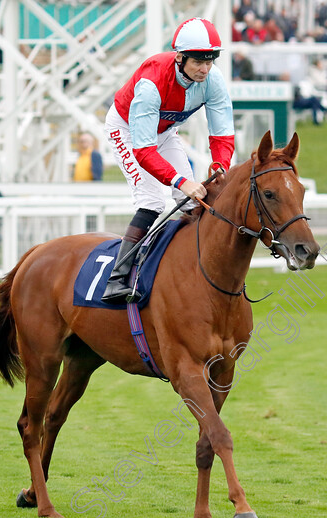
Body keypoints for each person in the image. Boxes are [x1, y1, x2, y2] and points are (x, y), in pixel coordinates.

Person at [100, 17, 234, 304]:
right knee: (152, 200)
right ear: (180, 57)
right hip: (127, 131)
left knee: (193, 198)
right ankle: (117, 278)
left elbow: (222, 134)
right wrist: (180, 181)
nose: (205, 68)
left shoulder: (213, 80)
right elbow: (144, 151)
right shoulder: (152, 82)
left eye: (210, 60)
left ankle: (192, 268)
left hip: (164, 131)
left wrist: (220, 165)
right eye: (198, 61)